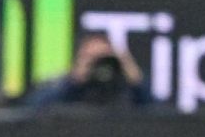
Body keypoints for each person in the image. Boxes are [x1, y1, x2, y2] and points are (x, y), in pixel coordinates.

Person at [22, 32, 153, 107]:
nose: (97, 64)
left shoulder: (125, 89)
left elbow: (162, 118)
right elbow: (31, 110)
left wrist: (137, 82)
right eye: (90, 58)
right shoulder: (66, 89)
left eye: (102, 57)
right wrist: (73, 82)